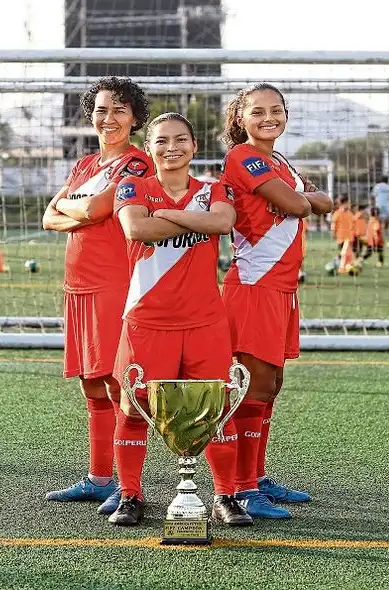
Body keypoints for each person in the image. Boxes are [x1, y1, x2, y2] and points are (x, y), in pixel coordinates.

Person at [108, 112, 252, 527]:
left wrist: (166, 217)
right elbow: (136, 230)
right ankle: (130, 494)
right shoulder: (133, 185)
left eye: (180, 140)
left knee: (215, 408)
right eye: (161, 141)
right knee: (132, 408)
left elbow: (222, 222)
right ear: (149, 148)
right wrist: (190, 221)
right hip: (147, 318)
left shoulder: (214, 189)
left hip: (205, 321)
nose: (171, 148)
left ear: (194, 146)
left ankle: (226, 495)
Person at [219, 83, 333, 519]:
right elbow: (300, 205)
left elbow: (322, 201)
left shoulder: (280, 161)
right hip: (254, 286)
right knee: (252, 388)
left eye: (277, 110)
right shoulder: (242, 156)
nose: (269, 118)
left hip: (282, 288)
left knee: (270, 386)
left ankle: (257, 475)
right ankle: (241, 489)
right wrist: (303, 200)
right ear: (240, 119)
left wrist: (303, 199)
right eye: (258, 111)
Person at [41, 76, 153, 514]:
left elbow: (94, 208)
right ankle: (98, 478)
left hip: (114, 284)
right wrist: (80, 212)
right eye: (102, 110)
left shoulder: (137, 164)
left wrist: (76, 209)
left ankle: (127, 486)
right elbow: (48, 217)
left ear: (135, 118)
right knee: (90, 381)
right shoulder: (85, 164)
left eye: (119, 110)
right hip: (78, 285)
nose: (109, 118)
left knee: (115, 381)